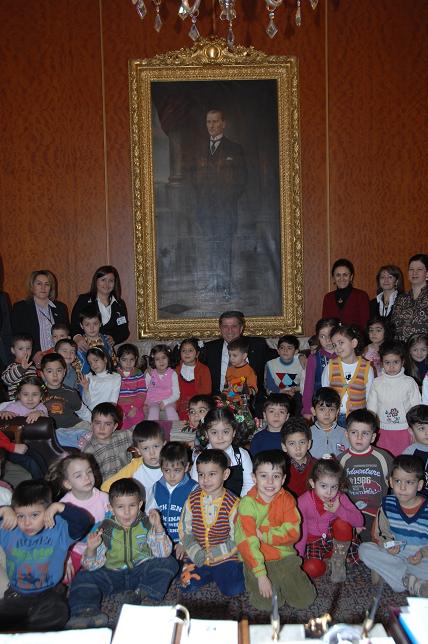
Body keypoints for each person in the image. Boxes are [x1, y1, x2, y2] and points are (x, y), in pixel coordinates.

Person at [68, 478, 179, 629]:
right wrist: (91, 549)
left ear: (140, 504)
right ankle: (85, 612)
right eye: (120, 507)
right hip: (112, 575)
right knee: (83, 576)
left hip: (141, 574)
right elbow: (91, 566)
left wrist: (158, 527)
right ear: (111, 508)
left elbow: (162, 553)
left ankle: (145, 596)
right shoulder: (105, 529)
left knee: (169, 562)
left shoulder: (147, 523)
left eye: (132, 506)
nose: (127, 512)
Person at [0, 480, 93, 632]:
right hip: (17, 593)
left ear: (48, 511)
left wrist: (60, 507)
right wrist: (3, 510)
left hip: (50, 592)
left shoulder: (58, 527)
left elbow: (85, 521)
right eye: (20, 516)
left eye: (34, 515)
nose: (27, 523)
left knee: (57, 614)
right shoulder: (8, 529)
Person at [235, 450, 316, 611]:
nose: (270, 482)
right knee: (268, 605)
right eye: (263, 476)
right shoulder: (247, 505)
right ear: (254, 478)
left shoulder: (288, 499)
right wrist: (261, 575)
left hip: (284, 556)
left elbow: (293, 533)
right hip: (257, 560)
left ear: (283, 479)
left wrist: (265, 535)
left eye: (276, 476)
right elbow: (247, 543)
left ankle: (282, 584)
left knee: (305, 599)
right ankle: (261, 581)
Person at [192, 109, 247, 299]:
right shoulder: (199, 149)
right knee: (210, 246)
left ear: (223, 124)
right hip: (205, 210)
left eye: (215, 121)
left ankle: (225, 287)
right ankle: (212, 284)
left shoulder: (235, 148)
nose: (212, 125)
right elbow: (194, 179)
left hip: (225, 210)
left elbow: (242, 180)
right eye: (209, 122)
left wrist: (227, 198)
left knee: (224, 247)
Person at [359, 455, 428, 597]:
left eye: (409, 482)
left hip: (421, 557)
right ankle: (408, 581)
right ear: (390, 482)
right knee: (364, 549)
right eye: (397, 481)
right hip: (396, 554)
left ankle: (394, 576)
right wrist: (388, 544)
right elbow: (380, 533)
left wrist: (422, 553)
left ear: (420, 485)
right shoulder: (387, 505)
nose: (402, 487)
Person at [178, 449, 245, 596]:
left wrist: (215, 553)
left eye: (212, 474)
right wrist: (194, 551)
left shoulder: (233, 503)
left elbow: (237, 537)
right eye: (201, 474)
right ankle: (210, 573)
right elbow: (184, 529)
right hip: (198, 555)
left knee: (234, 589)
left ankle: (228, 571)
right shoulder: (192, 499)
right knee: (185, 585)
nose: (205, 480)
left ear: (225, 474)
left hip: (225, 556)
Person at [296, 458, 364, 582]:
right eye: (323, 486)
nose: (329, 492)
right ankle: (328, 565)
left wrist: (339, 510)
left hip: (338, 544)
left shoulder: (340, 497)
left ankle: (338, 562)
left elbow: (359, 521)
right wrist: (299, 557)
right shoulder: (303, 501)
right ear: (312, 483)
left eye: (334, 487)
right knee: (310, 569)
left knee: (342, 524)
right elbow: (301, 531)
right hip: (314, 543)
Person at [47, 453, 108, 579]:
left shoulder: (104, 498)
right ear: (68, 484)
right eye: (78, 475)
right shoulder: (64, 506)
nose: (87, 477)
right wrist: (66, 560)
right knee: (62, 576)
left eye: (89, 472)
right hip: (75, 549)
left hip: (102, 546)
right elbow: (59, 537)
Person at [201, 311, 275, 406]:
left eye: (234, 326)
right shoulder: (209, 348)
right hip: (219, 402)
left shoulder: (257, 345)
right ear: (220, 328)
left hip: (252, 402)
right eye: (225, 326)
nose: (230, 330)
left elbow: (281, 356)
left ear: (241, 328)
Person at [339, 409, 393, 542]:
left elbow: (397, 485)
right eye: (354, 432)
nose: (359, 437)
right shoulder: (341, 460)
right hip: (350, 514)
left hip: (378, 515)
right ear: (346, 434)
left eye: (365, 433)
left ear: (373, 437)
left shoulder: (383, 457)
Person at [367, 341, 421, 455]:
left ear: (402, 362)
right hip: (382, 431)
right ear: (382, 363)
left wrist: (415, 431)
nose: (391, 366)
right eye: (387, 362)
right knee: (385, 459)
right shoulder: (377, 383)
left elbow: (416, 408)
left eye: (395, 362)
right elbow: (371, 408)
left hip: (405, 431)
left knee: (405, 460)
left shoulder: (409, 382)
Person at [145, 442, 198, 557]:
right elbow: (149, 516)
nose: (172, 476)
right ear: (161, 468)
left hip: (186, 542)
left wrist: (184, 542)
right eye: (167, 470)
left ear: (186, 467)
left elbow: (197, 520)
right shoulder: (156, 488)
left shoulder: (194, 489)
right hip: (162, 541)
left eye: (177, 470)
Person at [190, 407, 253, 497]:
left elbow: (249, 484)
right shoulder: (201, 457)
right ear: (206, 434)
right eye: (214, 432)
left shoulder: (242, 455)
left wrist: (240, 503)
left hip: (238, 503)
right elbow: (195, 485)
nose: (220, 437)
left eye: (225, 432)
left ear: (234, 432)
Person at [322, 324, 374, 427]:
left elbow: (370, 396)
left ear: (353, 343)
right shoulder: (330, 367)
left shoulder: (367, 368)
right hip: (334, 418)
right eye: (334, 345)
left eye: (341, 342)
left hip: (358, 419)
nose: (337, 348)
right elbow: (325, 393)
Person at [70, 265, 130, 349]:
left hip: (108, 350)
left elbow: (124, 331)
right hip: (85, 348)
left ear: (115, 283)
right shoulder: (84, 300)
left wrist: (114, 338)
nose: (107, 284)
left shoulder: (120, 304)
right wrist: (77, 337)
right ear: (96, 281)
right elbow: (74, 324)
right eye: (103, 280)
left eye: (111, 281)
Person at [11, 270, 69, 355]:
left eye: (47, 284)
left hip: (58, 357)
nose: (43, 287)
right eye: (39, 284)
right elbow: (17, 337)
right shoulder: (21, 308)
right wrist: (34, 355)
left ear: (51, 288)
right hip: (32, 358)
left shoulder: (61, 308)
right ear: (32, 286)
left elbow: (66, 334)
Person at [0, 376, 48, 479]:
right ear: (19, 395)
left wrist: (39, 413)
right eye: (25, 394)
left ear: (41, 396)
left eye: (34, 394)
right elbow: (3, 419)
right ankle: (39, 484)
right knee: (30, 462)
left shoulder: (40, 407)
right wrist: (4, 413)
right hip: (10, 446)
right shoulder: (14, 407)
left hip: (33, 444)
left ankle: (46, 481)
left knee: (39, 458)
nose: (30, 399)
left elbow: (46, 421)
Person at [41, 353, 91, 448]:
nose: (55, 375)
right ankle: (79, 442)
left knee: (90, 431)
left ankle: (85, 439)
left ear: (64, 372)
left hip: (75, 426)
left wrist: (94, 424)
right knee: (58, 435)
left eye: (59, 370)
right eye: (50, 371)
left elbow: (83, 412)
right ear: (42, 374)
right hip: (56, 431)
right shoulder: (38, 393)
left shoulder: (70, 392)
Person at [101, 420, 165, 493]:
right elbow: (106, 487)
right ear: (138, 451)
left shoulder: (170, 462)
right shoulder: (135, 466)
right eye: (145, 448)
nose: (152, 453)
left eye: (156, 446)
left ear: (164, 445)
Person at [83, 402, 133, 481]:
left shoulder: (123, 436)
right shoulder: (89, 451)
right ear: (92, 424)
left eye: (107, 424)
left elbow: (140, 430)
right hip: (105, 487)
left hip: (128, 482)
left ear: (114, 427)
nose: (102, 428)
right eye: (98, 423)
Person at [302, 318, 337, 420]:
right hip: (321, 406)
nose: (327, 340)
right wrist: (307, 409)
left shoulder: (345, 355)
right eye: (322, 336)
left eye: (330, 335)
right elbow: (308, 386)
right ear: (318, 337)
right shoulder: (314, 358)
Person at [322, 259, 370, 331]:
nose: (342, 278)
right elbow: (325, 325)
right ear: (333, 278)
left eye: (345, 275)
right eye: (338, 275)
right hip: (333, 338)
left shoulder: (361, 296)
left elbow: (365, 325)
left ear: (351, 277)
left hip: (355, 337)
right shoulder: (328, 298)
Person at [392, 254, 428, 341]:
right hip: (401, 346)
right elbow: (393, 327)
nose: (414, 273)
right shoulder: (401, 298)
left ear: (427, 273)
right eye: (411, 269)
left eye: (419, 269)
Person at [174, 338, 211, 421]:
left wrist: (196, 406)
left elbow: (207, 391)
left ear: (197, 354)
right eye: (184, 351)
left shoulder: (204, 369)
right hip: (181, 406)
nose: (187, 353)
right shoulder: (176, 370)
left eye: (190, 350)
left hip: (198, 405)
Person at [309, 387, 349, 459]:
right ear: (314, 411)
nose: (327, 414)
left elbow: (347, 456)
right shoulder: (308, 433)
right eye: (322, 409)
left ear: (337, 412)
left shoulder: (344, 434)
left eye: (331, 409)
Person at [280, 417, 316, 498]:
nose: (298, 448)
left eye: (302, 442)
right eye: (292, 443)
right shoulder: (280, 468)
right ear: (284, 447)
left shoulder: (317, 466)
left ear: (309, 444)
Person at [76, 305, 115, 375]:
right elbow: (77, 365)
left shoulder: (107, 340)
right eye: (87, 324)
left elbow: (112, 360)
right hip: (87, 378)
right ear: (81, 326)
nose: (92, 328)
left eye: (95, 323)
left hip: (106, 377)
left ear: (100, 323)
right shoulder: (80, 343)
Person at [80, 347, 121, 412]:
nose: (93, 365)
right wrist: (86, 389)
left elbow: (113, 401)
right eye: (90, 363)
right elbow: (86, 403)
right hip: (90, 412)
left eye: (96, 360)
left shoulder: (116, 377)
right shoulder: (88, 377)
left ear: (105, 359)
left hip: (107, 412)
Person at [116, 343, 147, 429]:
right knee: (120, 424)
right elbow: (112, 394)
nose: (128, 363)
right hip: (119, 405)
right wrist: (118, 410)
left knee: (139, 420)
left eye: (131, 360)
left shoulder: (138, 373)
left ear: (136, 359)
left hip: (134, 404)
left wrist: (135, 408)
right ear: (118, 359)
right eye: (124, 360)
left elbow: (142, 393)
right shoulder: (115, 374)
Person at [145, 344, 179, 421]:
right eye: (157, 359)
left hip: (169, 400)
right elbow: (145, 390)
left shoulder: (173, 374)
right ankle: (151, 428)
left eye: (164, 358)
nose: (161, 361)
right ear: (153, 361)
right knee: (153, 410)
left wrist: (165, 402)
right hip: (153, 401)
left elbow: (176, 394)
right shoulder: (150, 374)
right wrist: (145, 403)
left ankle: (176, 428)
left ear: (169, 358)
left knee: (170, 410)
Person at [1, 333, 37, 400]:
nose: (25, 352)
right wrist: (21, 368)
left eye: (28, 348)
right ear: (13, 350)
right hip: (17, 401)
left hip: (32, 401)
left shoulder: (33, 368)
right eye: (20, 349)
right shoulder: (12, 367)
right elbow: (5, 380)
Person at [403, 405, 428, 497]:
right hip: (417, 497)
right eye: (421, 428)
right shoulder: (409, 453)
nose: (427, 433)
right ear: (411, 431)